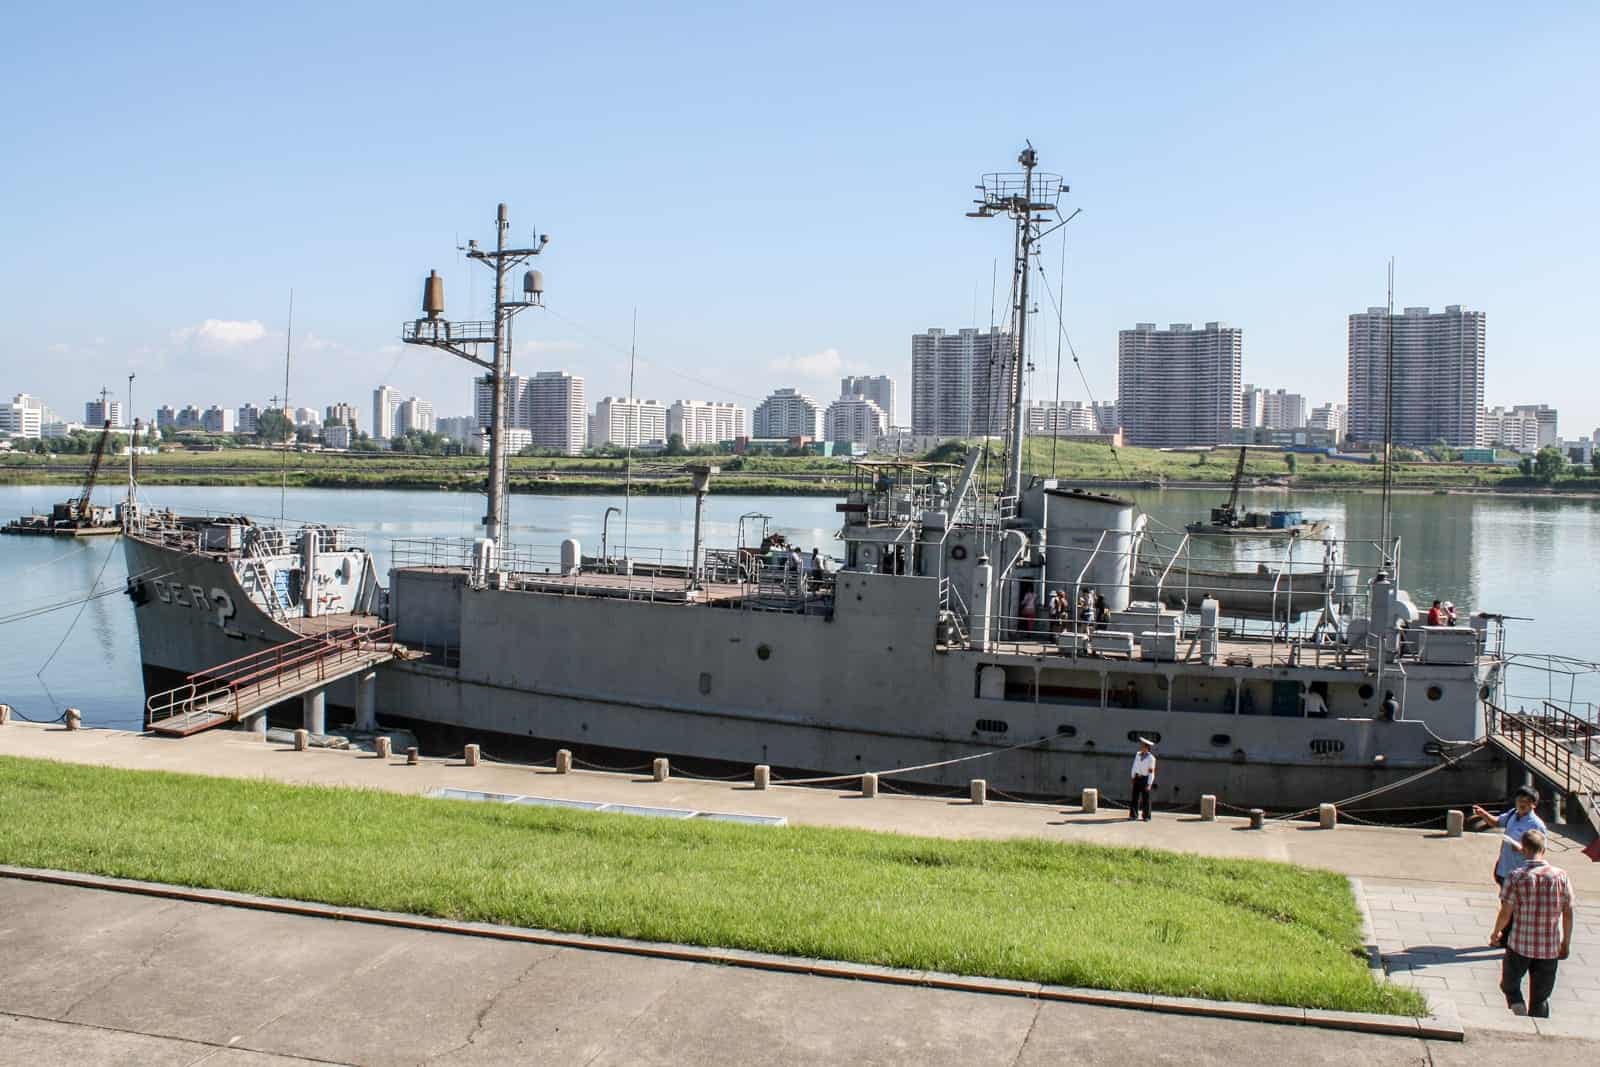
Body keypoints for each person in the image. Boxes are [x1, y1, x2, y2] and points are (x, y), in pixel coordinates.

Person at [1489, 829, 1575, 1018]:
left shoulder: (1516, 876)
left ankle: (1518, 1007)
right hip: (1549, 947)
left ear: (1523, 849)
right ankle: (1538, 1028)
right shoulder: (1561, 876)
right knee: (1541, 997)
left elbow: (1506, 911)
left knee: (1509, 984)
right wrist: (1566, 943)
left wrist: (1496, 932)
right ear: (1544, 849)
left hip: (1520, 944)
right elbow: (1568, 913)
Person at [1474, 786, 1547, 888]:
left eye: (1526, 801)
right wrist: (1483, 814)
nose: (1521, 803)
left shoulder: (1537, 825)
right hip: (1504, 868)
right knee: (1505, 900)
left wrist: (1521, 849)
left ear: (1533, 804)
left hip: (1521, 873)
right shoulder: (1513, 813)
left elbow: (1540, 851)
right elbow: (1497, 822)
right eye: (1519, 800)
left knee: (1516, 902)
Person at [1129, 739, 1156, 822]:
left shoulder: (1151, 758)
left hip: (1145, 779)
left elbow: (1151, 772)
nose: (1141, 747)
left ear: (1147, 748)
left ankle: (1146, 816)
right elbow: (1134, 765)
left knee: (1146, 799)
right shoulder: (1138, 754)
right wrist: (1133, 776)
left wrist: (1149, 784)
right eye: (1141, 746)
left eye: (1143, 746)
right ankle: (1133, 815)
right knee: (1134, 798)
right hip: (1137, 777)